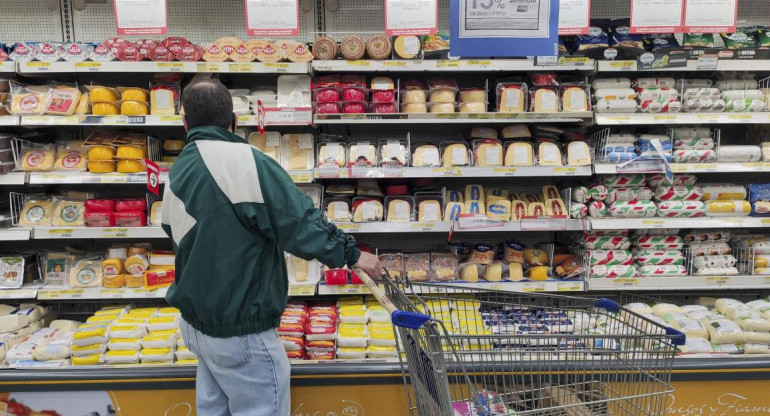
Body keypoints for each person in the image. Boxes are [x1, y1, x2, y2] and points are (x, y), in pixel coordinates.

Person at [161, 78, 382, 416]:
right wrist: (351, 254)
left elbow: (173, 233)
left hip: (198, 326)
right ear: (234, 120)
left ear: (185, 123)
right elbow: (298, 221)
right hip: (241, 330)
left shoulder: (177, 171)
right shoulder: (245, 161)